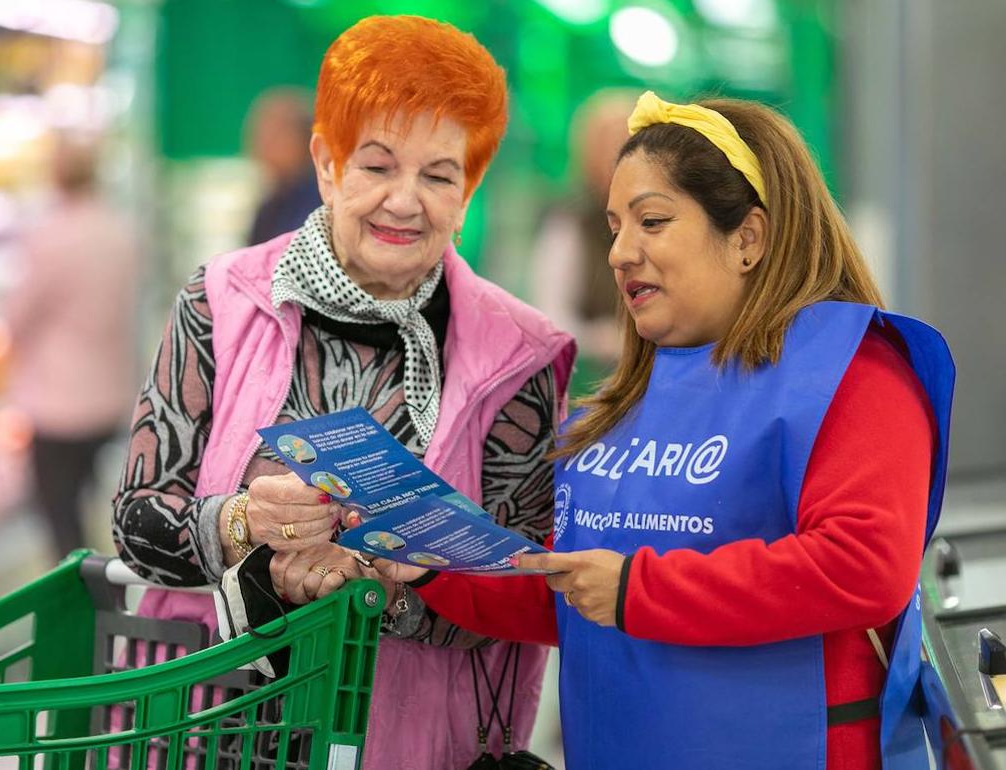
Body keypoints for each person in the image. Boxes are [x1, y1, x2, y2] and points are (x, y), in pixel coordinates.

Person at [370, 92, 955, 770]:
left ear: (748, 238)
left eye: (652, 221)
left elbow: (864, 567)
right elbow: (571, 589)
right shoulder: (621, 403)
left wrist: (635, 591)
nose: (619, 252)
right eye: (615, 226)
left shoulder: (854, 371)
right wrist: (436, 563)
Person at [111, 15, 575, 769]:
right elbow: (135, 523)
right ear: (327, 163)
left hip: (413, 738)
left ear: (469, 191)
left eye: (438, 174)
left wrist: (381, 590)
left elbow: (524, 591)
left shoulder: (517, 356)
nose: (404, 201)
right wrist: (240, 525)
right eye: (377, 165)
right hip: (208, 727)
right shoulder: (221, 302)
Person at [6, 132, 140, 560]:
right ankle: (104, 590)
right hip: (111, 391)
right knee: (89, 500)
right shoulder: (119, 231)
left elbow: (18, 317)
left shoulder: (51, 237)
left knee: (59, 516)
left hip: (60, 402)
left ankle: (81, 605)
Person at [531, 89, 636, 393]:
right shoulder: (571, 221)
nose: (619, 153)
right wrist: (604, 339)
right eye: (609, 142)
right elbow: (551, 317)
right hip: (594, 383)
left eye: (628, 140)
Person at [244, 87, 323, 245]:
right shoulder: (271, 204)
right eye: (260, 134)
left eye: (275, 135)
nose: (264, 144)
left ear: (304, 140)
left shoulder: (320, 203)